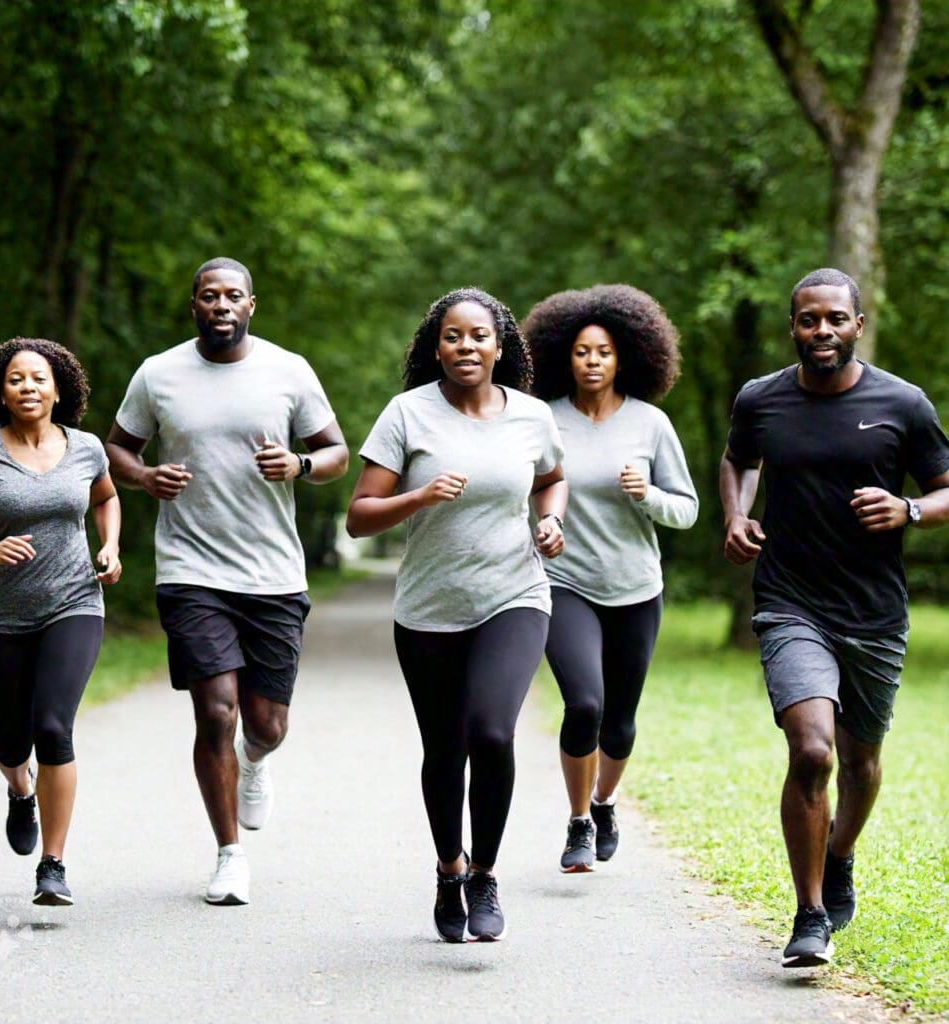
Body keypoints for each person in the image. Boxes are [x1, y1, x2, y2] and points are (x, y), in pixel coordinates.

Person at [720, 268, 949, 969]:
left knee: (862, 758)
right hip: (790, 601)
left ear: (858, 323)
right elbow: (737, 460)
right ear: (793, 326)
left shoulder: (902, 403)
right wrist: (735, 514)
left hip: (874, 611)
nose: (823, 331)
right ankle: (810, 913)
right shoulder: (761, 398)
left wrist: (908, 509)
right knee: (813, 750)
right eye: (809, 319)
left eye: (835, 319)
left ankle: (840, 852)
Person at [106, 257, 348, 906]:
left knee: (265, 724)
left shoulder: (288, 370)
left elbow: (337, 455)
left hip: (272, 573)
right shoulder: (158, 374)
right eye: (209, 295)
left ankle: (257, 761)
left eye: (232, 295)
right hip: (191, 570)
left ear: (250, 305)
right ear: (193, 306)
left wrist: (299, 463)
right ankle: (229, 854)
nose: (220, 304)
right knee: (216, 711)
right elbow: (117, 448)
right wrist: (144, 477)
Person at [346, 286, 567, 943]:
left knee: (492, 734)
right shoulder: (406, 415)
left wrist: (550, 519)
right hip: (429, 608)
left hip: (514, 593)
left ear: (500, 345)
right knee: (445, 749)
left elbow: (552, 477)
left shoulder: (530, 416)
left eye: (478, 336)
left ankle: (486, 875)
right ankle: (449, 868)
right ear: (434, 347)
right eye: (452, 337)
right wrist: (418, 497)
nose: (465, 347)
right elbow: (359, 516)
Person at [0, 338, 122, 906]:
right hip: (1, 616)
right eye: (16, 379)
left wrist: (109, 545)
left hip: (75, 602)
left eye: (39, 378)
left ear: (58, 389)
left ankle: (53, 865)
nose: (29, 387)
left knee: (53, 727)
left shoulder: (87, 449)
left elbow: (107, 498)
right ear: (2, 392)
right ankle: (19, 789)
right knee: (12, 740)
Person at [522, 285, 698, 873]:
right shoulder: (543, 418)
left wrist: (646, 495)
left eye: (602, 351)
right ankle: (576, 821)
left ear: (624, 357)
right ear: (562, 358)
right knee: (585, 704)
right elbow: (519, 486)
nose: (591, 361)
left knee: (620, 723)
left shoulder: (651, 425)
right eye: (580, 352)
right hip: (563, 582)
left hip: (635, 589)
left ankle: (604, 803)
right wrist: (542, 522)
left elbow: (687, 509)